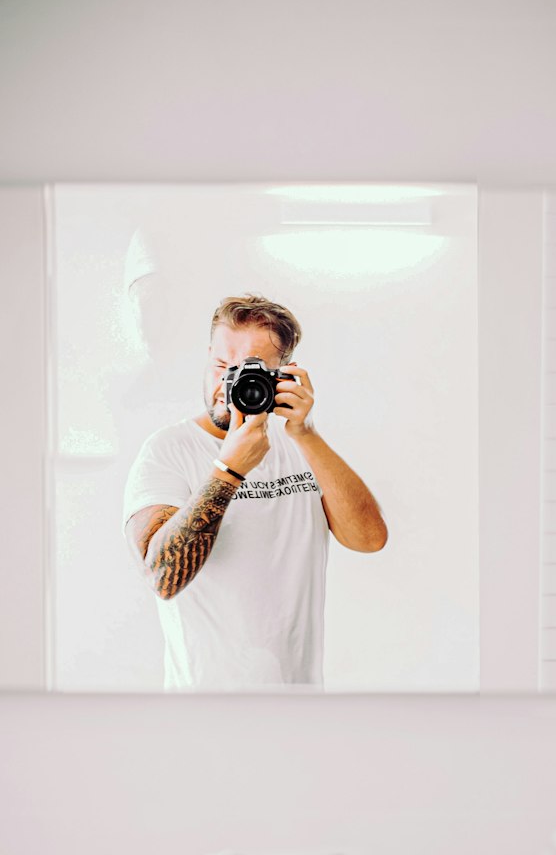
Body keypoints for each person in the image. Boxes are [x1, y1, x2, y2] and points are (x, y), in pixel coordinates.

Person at [122, 294, 387, 691]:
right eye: (221, 365)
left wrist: (306, 434)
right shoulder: (169, 449)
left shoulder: (301, 447)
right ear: (207, 357)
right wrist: (229, 471)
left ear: (284, 375)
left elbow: (369, 539)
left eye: (252, 370)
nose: (230, 382)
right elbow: (163, 577)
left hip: (298, 704)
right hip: (204, 713)